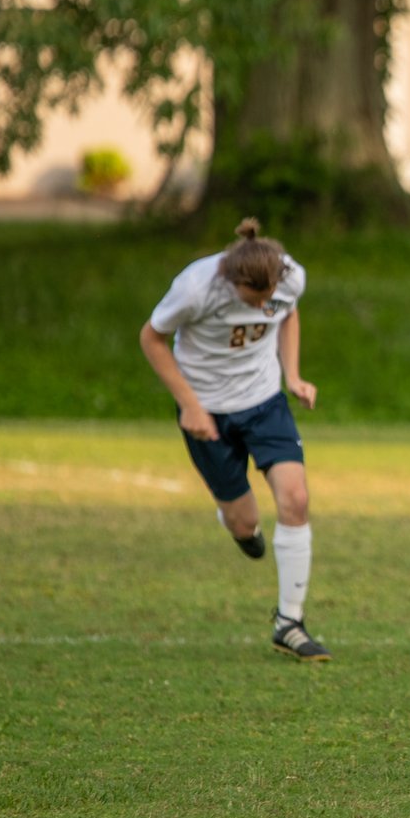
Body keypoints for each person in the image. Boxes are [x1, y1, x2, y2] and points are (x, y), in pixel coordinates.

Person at [138, 218, 326, 660]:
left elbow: (289, 313)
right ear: (231, 281)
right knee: (244, 523)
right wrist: (190, 405)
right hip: (206, 409)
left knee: (295, 500)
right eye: (253, 300)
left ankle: (290, 622)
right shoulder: (196, 287)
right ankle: (237, 523)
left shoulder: (290, 276)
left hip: (264, 402)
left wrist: (293, 375)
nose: (264, 307)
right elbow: (152, 338)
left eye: (269, 299)